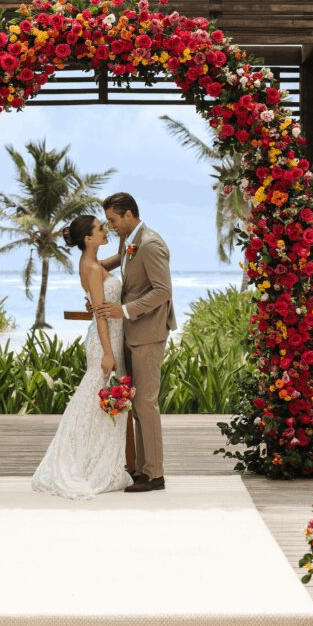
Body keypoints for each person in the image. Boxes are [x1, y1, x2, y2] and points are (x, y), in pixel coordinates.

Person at [31, 215, 134, 499]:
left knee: (96, 401)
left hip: (109, 337)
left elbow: (113, 263)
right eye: (101, 229)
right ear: (88, 239)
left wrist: (126, 243)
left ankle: (93, 458)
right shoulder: (91, 268)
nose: (106, 231)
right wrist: (109, 353)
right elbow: (100, 315)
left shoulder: (93, 263)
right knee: (96, 400)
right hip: (105, 342)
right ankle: (87, 464)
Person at [95, 192, 176, 493]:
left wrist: (124, 310)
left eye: (114, 220)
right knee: (136, 403)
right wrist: (93, 263)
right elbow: (125, 261)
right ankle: (141, 469)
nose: (112, 226)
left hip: (149, 333)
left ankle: (155, 475)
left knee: (145, 403)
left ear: (129, 214)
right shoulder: (129, 239)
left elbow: (162, 291)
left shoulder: (152, 244)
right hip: (133, 332)